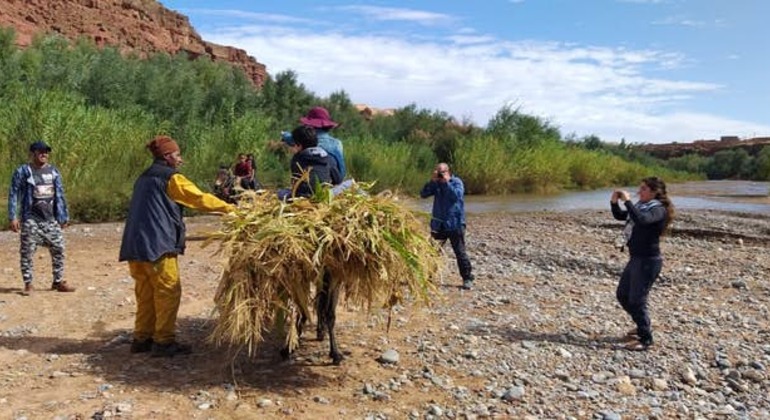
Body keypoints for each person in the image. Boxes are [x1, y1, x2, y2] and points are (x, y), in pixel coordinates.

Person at [119, 135, 236, 357]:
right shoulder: (171, 178)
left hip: (135, 245)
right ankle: (163, 341)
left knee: (145, 293)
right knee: (168, 291)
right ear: (167, 156)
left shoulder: (143, 177)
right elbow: (199, 199)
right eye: (177, 154)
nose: (180, 159)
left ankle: (142, 339)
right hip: (158, 245)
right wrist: (230, 209)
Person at [611, 176, 674, 351]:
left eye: (644, 189)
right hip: (635, 258)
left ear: (655, 192)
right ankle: (642, 324)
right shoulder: (640, 207)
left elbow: (642, 220)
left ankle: (646, 339)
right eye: (640, 188)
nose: (639, 192)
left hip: (649, 261)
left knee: (637, 300)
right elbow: (621, 215)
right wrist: (615, 202)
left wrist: (628, 201)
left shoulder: (658, 210)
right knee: (622, 295)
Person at [7, 140, 76, 295]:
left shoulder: (54, 172)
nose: (44, 154)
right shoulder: (23, 171)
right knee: (27, 251)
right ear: (33, 153)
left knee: (58, 248)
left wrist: (63, 216)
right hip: (31, 219)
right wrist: (13, 216)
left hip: (50, 219)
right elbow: (14, 194)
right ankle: (28, 284)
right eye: (40, 151)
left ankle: (57, 281)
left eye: (46, 151)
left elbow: (60, 195)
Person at [420, 163, 474, 290]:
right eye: (438, 171)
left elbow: (456, 196)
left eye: (442, 172)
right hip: (439, 224)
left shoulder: (456, 182)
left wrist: (446, 182)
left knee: (460, 252)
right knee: (432, 252)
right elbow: (423, 194)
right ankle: (429, 277)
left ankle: (467, 278)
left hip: (455, 223)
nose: (440, 174)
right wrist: (432, 182)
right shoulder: (436, 184)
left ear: (448, 171)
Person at [285, 125, 341, 198]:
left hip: (302, 197)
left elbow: (295, 182)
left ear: (299, 145)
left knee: (281, 192)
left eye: (294, 144)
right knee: (349, 184)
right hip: (324, 195)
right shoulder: (327, 157)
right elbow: (337, 180)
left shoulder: (297, 159)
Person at [299, 106, 346, 179]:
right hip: (331, 183)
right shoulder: (337, 143)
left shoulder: (305, 141)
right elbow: (341, 171)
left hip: (307, 182)